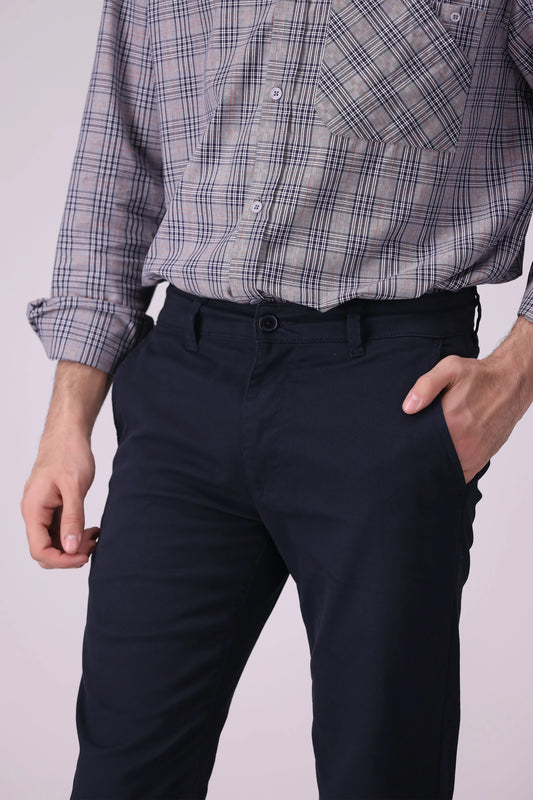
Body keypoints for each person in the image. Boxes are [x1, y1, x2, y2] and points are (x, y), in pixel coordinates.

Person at [20, 0, 533, 797]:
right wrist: (66, 422)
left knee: (380, 771)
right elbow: (116, 164)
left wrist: (515, 372)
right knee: (123, 770)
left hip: (387, 393)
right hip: (184, 386)